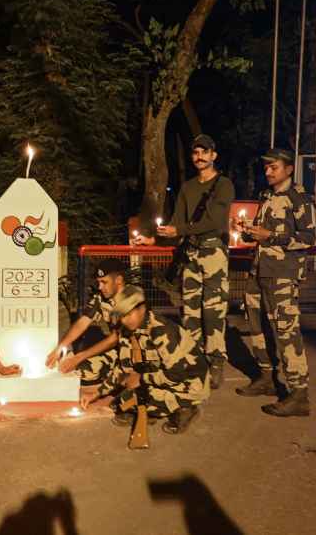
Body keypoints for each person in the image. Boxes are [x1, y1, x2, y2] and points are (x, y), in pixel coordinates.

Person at [134, 134, 235, 389]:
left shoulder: (224, 185)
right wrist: (155, 241)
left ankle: (216, 361)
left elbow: (214, 221)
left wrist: (179, 231)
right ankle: (193, 361)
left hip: (214, 253)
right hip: (190, 254)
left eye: (204, 152)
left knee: (213, 312)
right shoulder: (188, 187)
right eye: (195, 152)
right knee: (190, 312)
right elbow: (177, 222)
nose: (199, 156)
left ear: (214, 155)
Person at [231, 147, 316, 417]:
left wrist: (270, 236)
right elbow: (262, 234)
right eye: (266, 167)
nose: (267, 172)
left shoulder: (298, 198)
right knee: (257, 327)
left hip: (282, 275)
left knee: (286, 332)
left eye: (273, 167)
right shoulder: (266, 196)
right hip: (259, 271)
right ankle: (267, 377)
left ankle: (298, 394)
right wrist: (247, 233)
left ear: (288, 169)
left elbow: (308, 239)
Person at [80, 285, 210, 435]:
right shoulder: (128, 331)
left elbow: (177, 374)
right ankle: (156, 407)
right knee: (120, 403)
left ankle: (188, 408)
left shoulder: (161, 331)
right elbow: (123, 369)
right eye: (122, 316)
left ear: (142, 309)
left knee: (142, 399)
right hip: (159, 378)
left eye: (129, 314)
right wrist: (98, 392)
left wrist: (142, 379)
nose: (125, 320)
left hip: (188, 384)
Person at [44, 258, 126, 389]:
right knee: (82, 371)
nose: (100, 287)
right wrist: (60, 347)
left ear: (119, 280)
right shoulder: (102, 298)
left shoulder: (132, 299)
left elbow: (115, 338)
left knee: (85, 370)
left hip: (138, 352)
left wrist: (78, 357)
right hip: (119, 349)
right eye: (99, 282)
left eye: (104, 282)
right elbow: (83, 322)